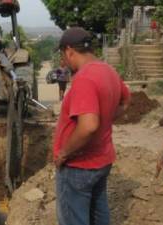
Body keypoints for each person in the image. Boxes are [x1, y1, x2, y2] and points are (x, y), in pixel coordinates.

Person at [53, 27, 130, 225]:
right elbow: (125, 102)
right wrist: (105, 118)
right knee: (98, 214)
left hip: (79, 165)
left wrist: (64, 153)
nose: (64, 59)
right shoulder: (109, 70)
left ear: (69, 50)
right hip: (102, 160)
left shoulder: (84, 78)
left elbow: (88, 126)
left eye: (63, 54)